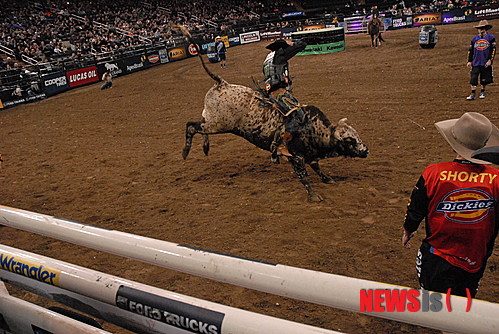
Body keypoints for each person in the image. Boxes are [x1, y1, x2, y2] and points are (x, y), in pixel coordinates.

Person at [402, 112, 499, 297]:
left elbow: (416, 208)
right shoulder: (496, 179)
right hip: (475, 258)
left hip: (438, 255)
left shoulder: (433, 173)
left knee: (435, 303)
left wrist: (408, 229)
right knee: (464, 300)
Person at [262, 38, 307, 160]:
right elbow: (302, 44)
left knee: (283, 119)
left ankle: (278, 148)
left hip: (272, 93)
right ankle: (282, 146)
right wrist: (291, 43)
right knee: (298, 115)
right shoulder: (279, 54)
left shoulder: (268, 59)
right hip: (280, 92)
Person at [466, 20, 496, 100]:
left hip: (485, 61)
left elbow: (493, 50)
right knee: (473, 78)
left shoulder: (491, 38)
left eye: (482, 28)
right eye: (480, 28)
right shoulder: (474, 39)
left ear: (486, 29)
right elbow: (471, 50)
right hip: (476, 62)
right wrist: (469, 60)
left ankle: (483, 91)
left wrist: (490, 60)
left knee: (484, 78)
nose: (481, 30)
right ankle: (473, 93)